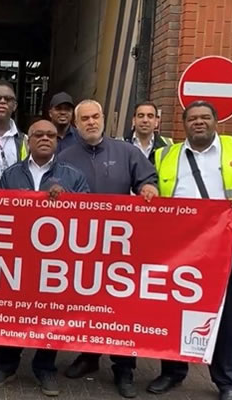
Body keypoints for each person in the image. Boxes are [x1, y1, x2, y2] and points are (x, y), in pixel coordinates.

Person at [152, 101, 232, 400]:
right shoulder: (165, 155)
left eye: (205, 117)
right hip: (181, 254)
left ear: (215, 122)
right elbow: (150, 189)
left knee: (228, 321)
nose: (199, 122)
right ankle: (172, 372)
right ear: (184, 124)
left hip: (231, 253)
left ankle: (229, 383)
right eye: (192, 118)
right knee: (175, 316)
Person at [59, 99, 158, 398]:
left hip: (119, 249)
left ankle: (124, 368)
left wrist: (148, 187)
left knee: (121, 311)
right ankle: (89, 357)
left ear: (105, 119)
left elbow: (147, 178)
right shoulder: (64, 154)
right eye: (84, 118)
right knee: (85, 307)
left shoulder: (127, 152)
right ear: (76, 125)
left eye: (95, 116)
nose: (91, 122)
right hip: (79, 247)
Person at [0, 119, 89, 397]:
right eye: (38, 134)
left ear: (57, 140)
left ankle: (45, 368)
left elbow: (90, 218)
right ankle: (6, 366)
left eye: (51, 135)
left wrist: (69, 201)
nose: (45, 138)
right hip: (15, 260)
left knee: (51, 315)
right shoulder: (10, 174)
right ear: (28, 140)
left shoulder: (73, 176)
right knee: (10, 313)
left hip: (55, 263)